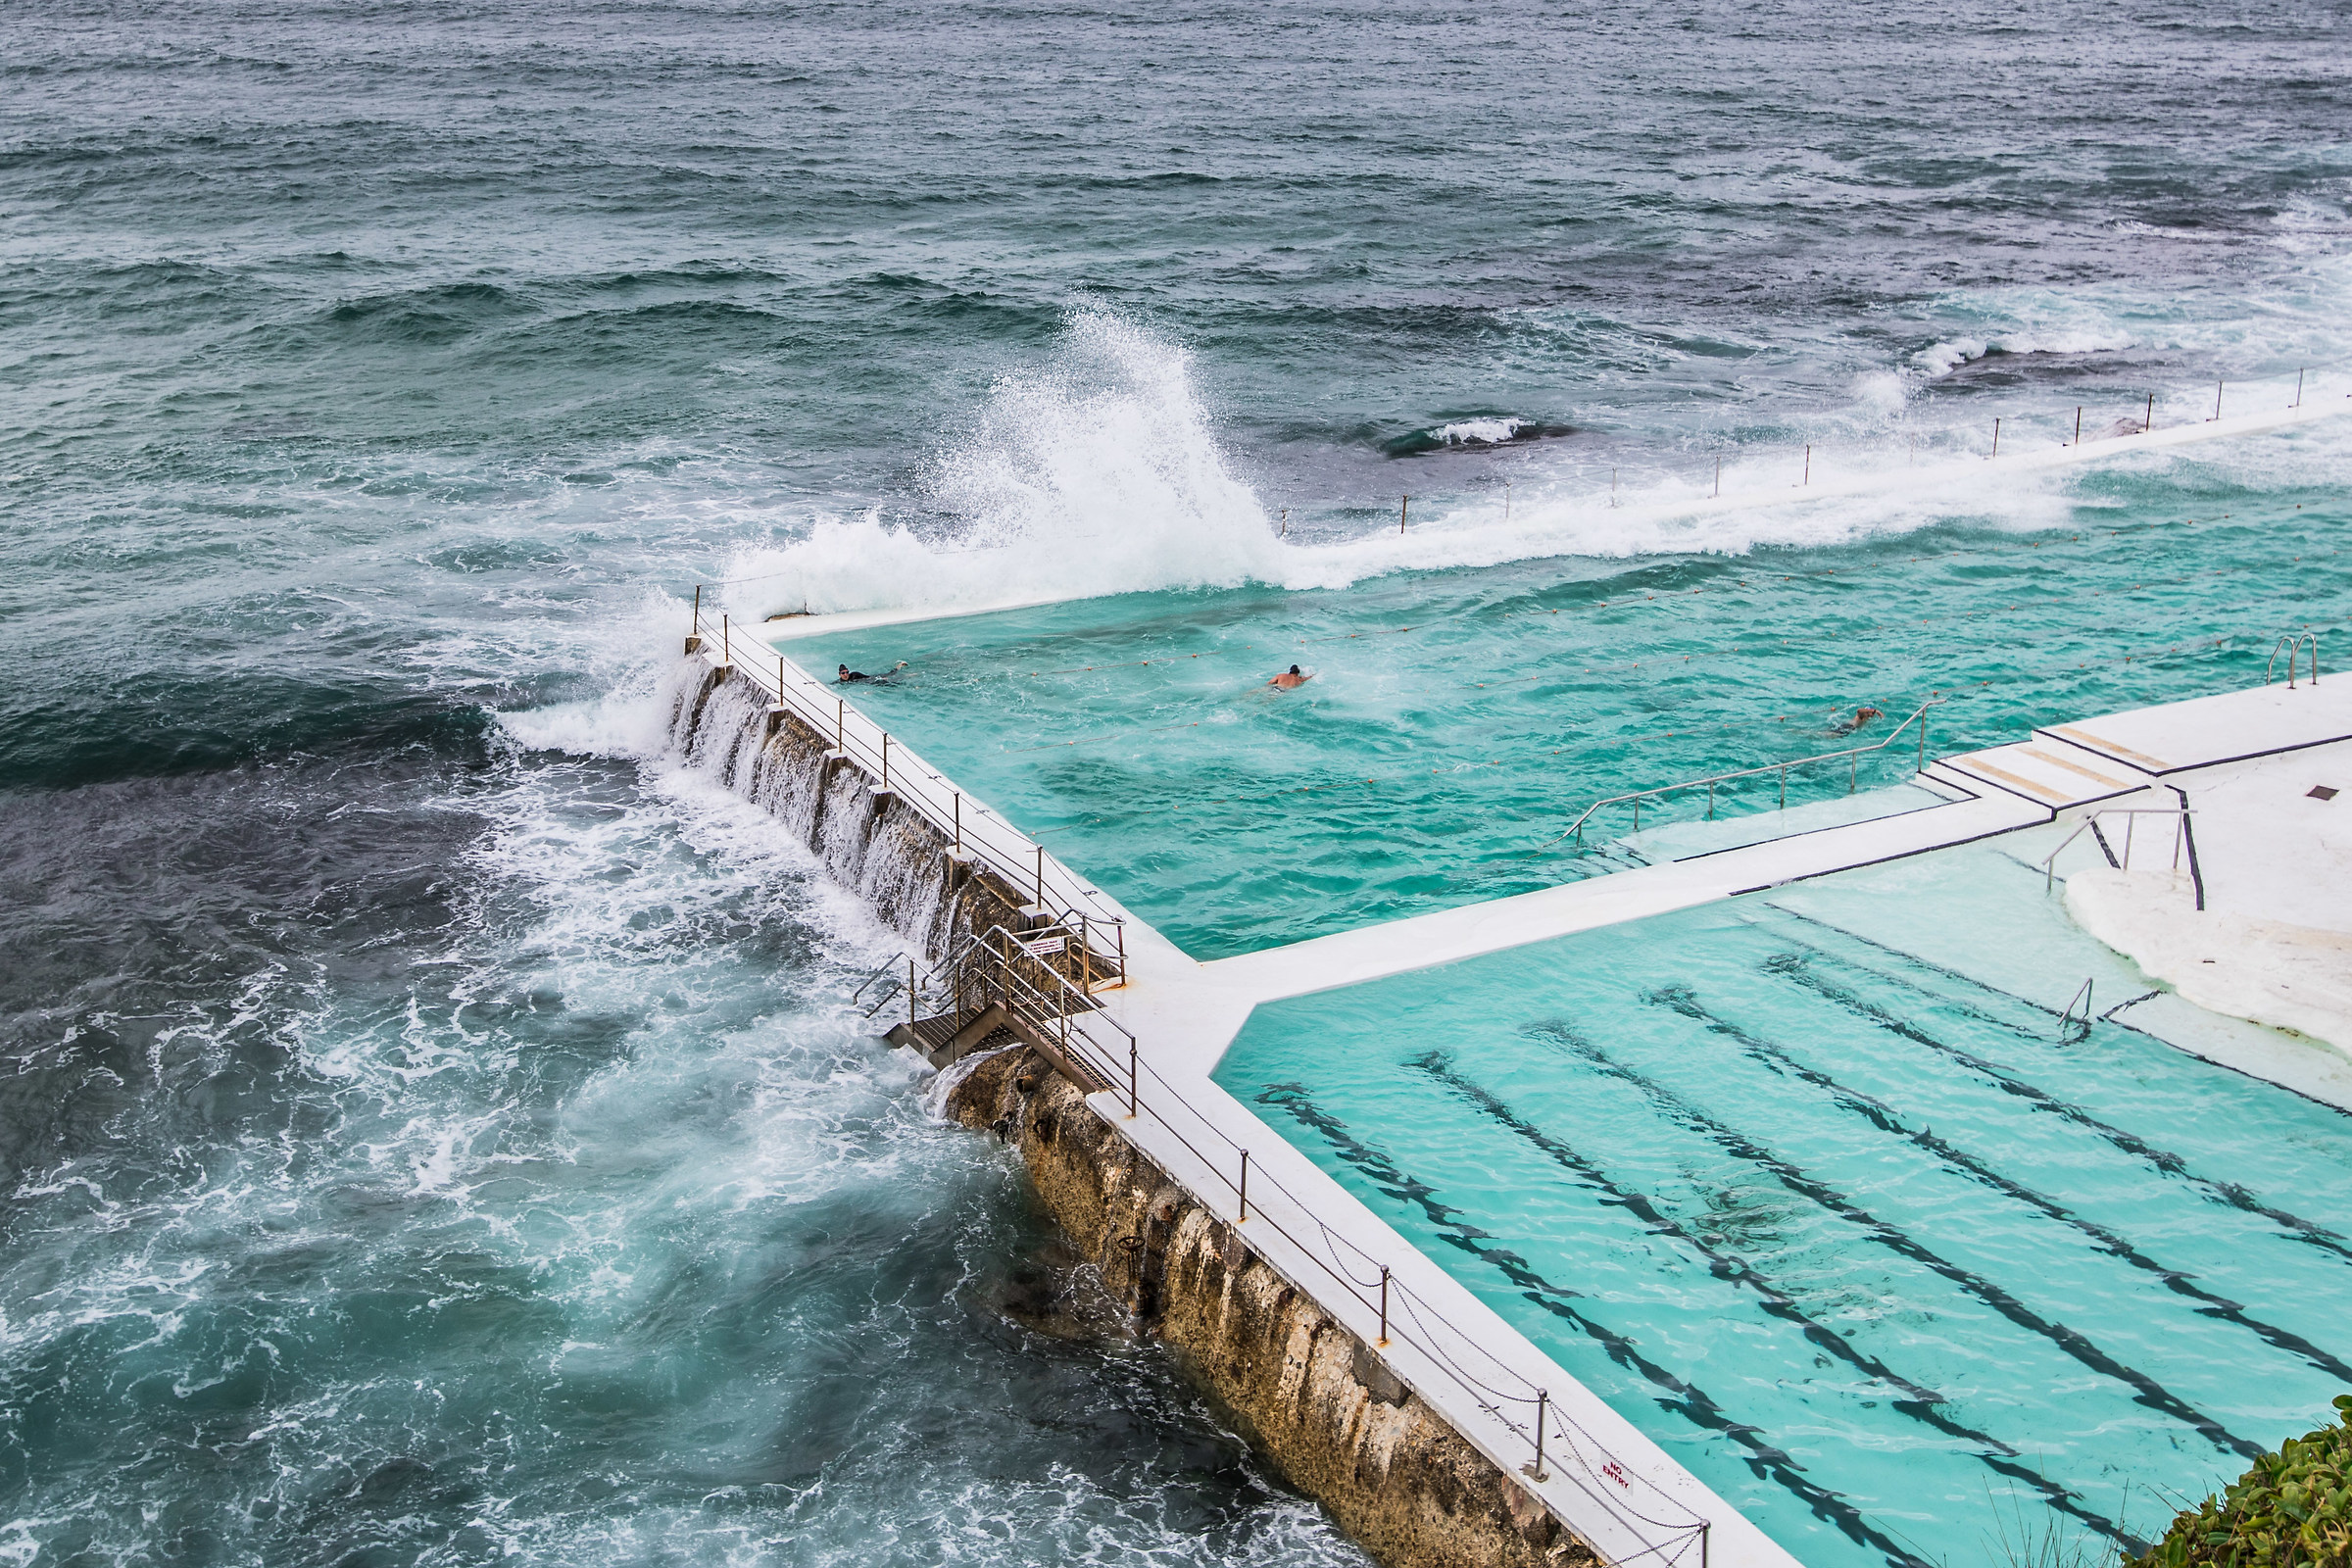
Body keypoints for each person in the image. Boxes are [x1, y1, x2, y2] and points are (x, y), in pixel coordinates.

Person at [837, 661, 908, 685]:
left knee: (890, 674)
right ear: (839, 674)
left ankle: (899, 666)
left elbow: (868, 677)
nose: (846, 674)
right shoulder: (840, 682)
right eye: (843, 673)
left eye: (847, 672)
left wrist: (879, 678)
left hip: (871, 679)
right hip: (868, 683)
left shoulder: (855, 675)